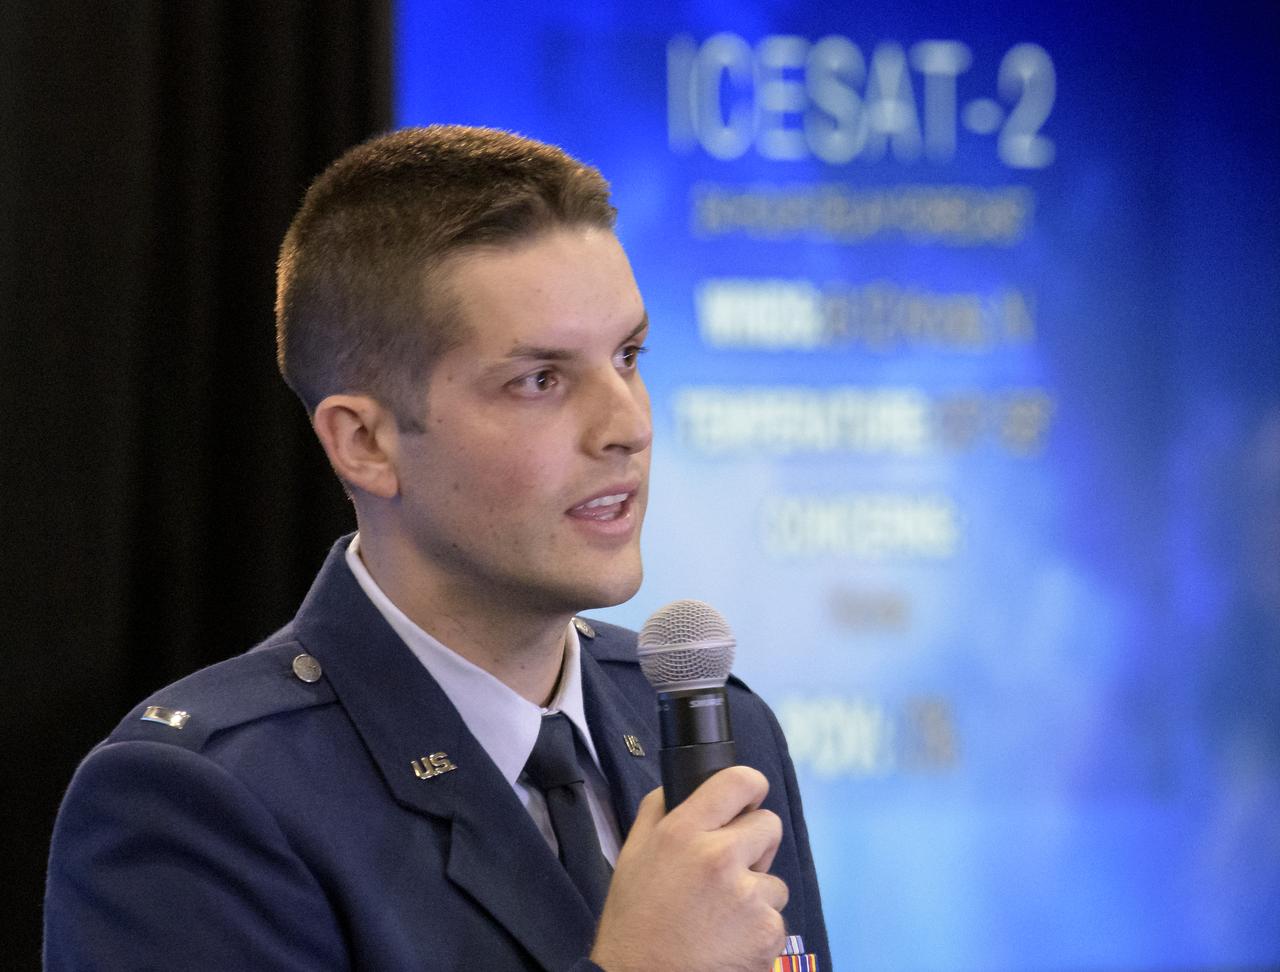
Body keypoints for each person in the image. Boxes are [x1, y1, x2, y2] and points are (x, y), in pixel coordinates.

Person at [44, 126, 829, 971]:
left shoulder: (718, 723)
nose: (629, 426)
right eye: (541, 380)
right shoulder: (202, 797)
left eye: (628, 356)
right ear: (366, 444)